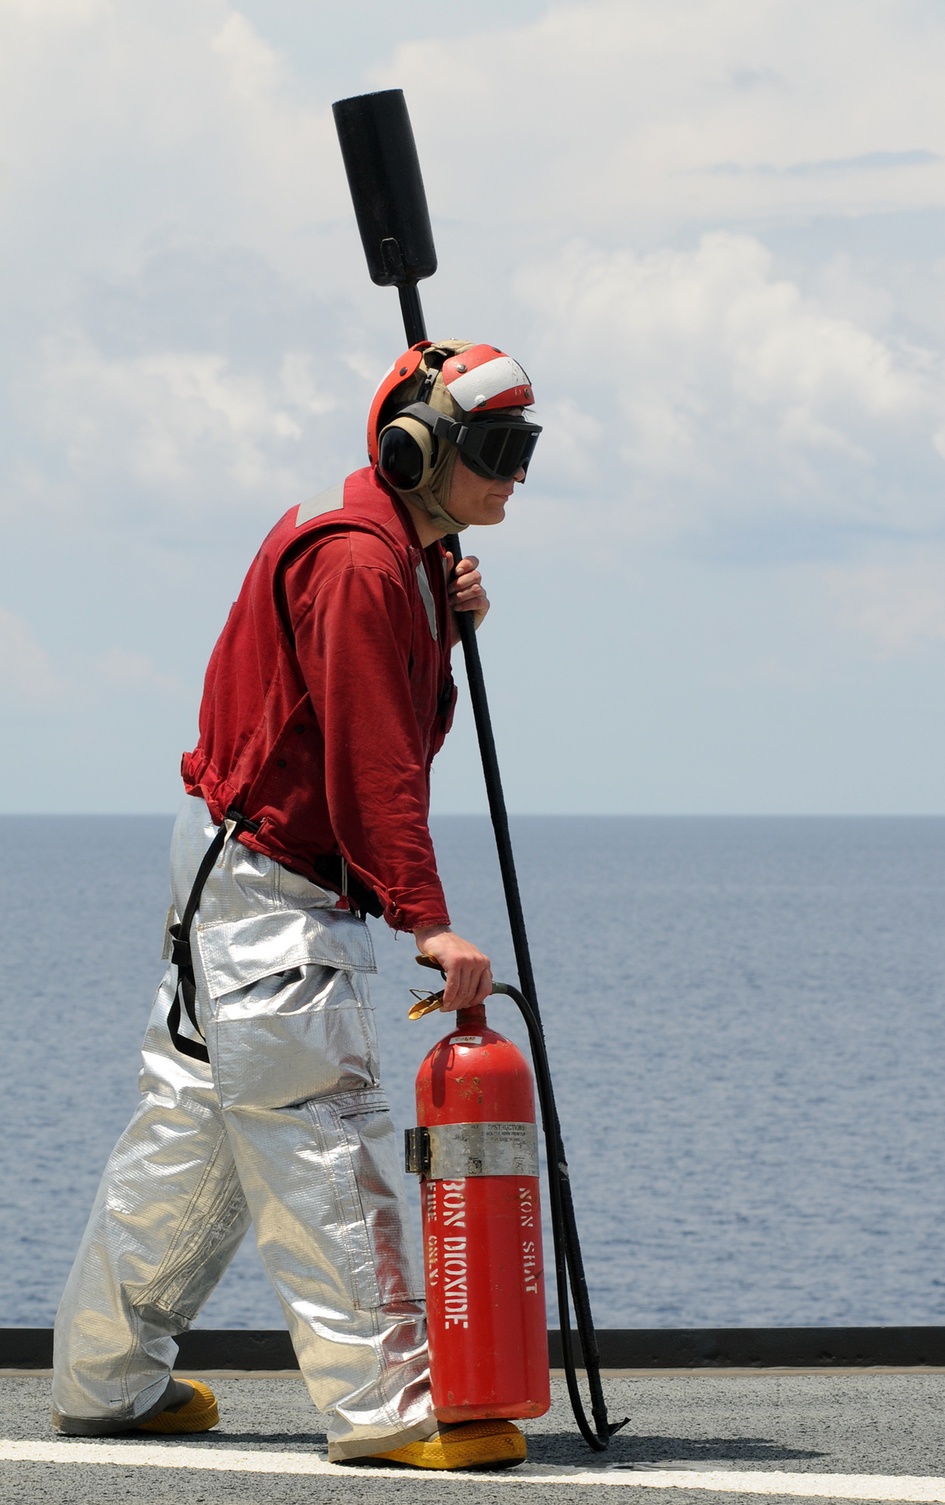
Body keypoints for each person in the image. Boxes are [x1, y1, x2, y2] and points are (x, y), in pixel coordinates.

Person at [51, 339, 543, 1472]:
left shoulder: (380, 551)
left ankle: (102, 1374)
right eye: (499, 450)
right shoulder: (364, 568)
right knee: (326, 1131)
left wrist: (442, 618)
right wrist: (425, 916)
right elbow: (373, 767)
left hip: (225, 867)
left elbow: (374, 726)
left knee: (195, 1135)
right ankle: (391, 1403)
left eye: (525, 451)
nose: (516, 474)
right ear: (419, 447)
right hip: (275, 887)